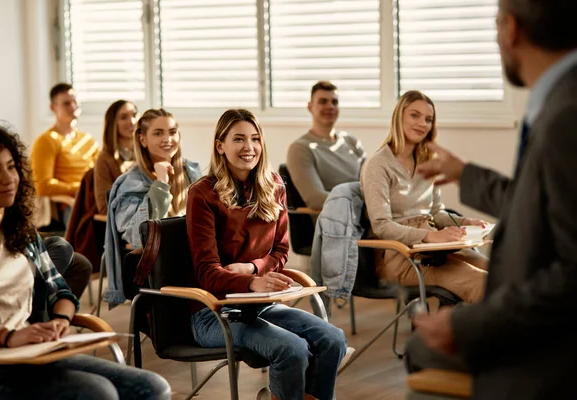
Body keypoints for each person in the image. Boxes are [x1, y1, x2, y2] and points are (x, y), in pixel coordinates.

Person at [404, 0, 577, 398]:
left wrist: (469, 326)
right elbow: (538, 200)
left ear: (510, 29)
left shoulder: (568, 114)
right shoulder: (563, 100)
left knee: (421, 352)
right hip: (415, 255)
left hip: (556, 353)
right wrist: (466, 176)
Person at [0, 121, 170, 400]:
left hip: (32, 352)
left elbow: (61, 292)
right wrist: (6, 337)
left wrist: (59, 320)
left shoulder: (22, 232)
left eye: (11, 166)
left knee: (153, 387)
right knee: (99, 393)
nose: (8, 178)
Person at [187, 109, 347, 400]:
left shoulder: (273, 185)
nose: (249, 147)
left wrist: (251, 269)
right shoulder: (202, 194)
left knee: (333, 339)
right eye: (238, 139)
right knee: (292, 349)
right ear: (220, 146)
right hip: (214, 312)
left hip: (261, 304)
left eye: (255, 139)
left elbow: (281, 251)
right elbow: (207, 272)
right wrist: (252, 282)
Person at [360, 90, 489, 303]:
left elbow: (436, 212)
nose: (422, 123)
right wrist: (431, 237)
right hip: (399, 257)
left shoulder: (427, 161)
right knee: (480, 281)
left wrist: (466, 223)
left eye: (428, 119)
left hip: (434, 251)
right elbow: (382, 225)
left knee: (499, 272)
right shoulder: (378, 165)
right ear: (399, 116)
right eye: (415, 115)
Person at [104, 108, 202, 306]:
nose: (168, 139)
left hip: (191, 257)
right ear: (143, 140)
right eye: (158, 133)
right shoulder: (130, 182)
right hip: (153, 267)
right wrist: (161, 183)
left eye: (172, 132)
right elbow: (136, 236)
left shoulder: (191, 171)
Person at [286, 80, 367, 210]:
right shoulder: (300, 149)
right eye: (323, 101)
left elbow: (372, 182)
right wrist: (363, 205)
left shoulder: (351, 141)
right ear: (310, 107)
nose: (330, 106)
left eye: (334, 102)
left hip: (365, 216)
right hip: (333, 221)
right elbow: (316, 199)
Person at [31, 83, 99, 225]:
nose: (73, 107)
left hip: (95, 198)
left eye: (75, 102)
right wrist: (80, 188)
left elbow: (100, 173)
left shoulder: (87, 140)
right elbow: (43, 185)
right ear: (53, 108)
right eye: (67, 103)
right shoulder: (47, 140)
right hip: (71, 205)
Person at [94, 100, 138, 214]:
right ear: (113, 124)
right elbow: (104, 207)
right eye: (124, 117)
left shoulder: (145, 153)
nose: (132, 121)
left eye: (134, 115)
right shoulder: (104, 159)